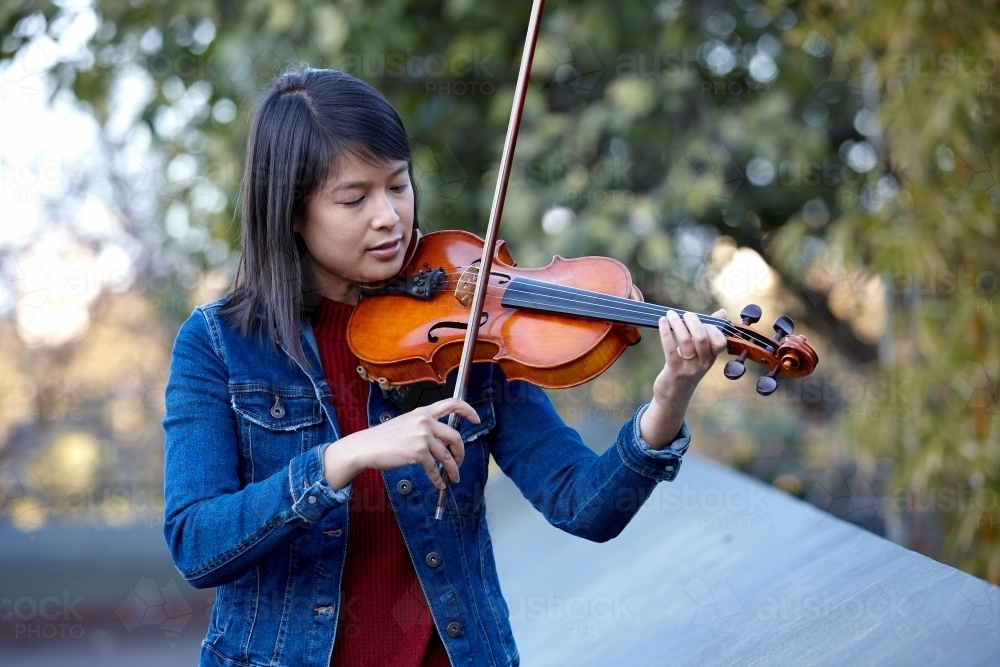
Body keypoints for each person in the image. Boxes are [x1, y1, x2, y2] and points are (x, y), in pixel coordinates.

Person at [162, 68, 728, 667]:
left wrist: (669, 400)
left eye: (398, 186)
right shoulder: (219, 344)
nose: (388, 217)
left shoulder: (464, 325)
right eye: (354, 198)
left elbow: (581, 503)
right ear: (292, 213)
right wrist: (344, 456)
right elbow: (198, 544)